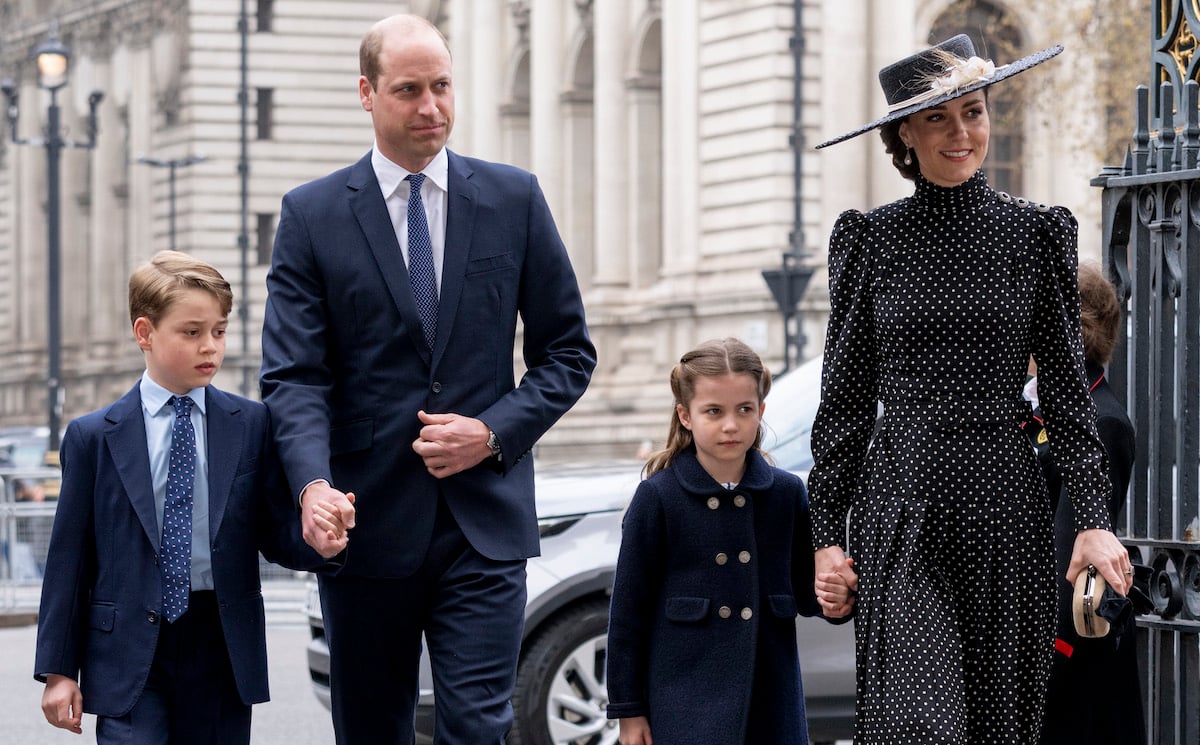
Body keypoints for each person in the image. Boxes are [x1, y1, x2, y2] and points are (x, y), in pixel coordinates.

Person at [258, 13, 596, 745]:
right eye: (409, 90)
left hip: (485, 523)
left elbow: (568, 351)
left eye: (442, 86)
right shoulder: (311, 217)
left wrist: (493, 431)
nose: (431, 107)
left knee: (478, 726)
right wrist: (312, 486)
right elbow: (294, 376)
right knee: (373, 728)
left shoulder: (514, 199)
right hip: (363, 518)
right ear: (367, 93)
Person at [808, 35, 1136, 744]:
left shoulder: (1035, 234)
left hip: (1006, 509)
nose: (962, 133)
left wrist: (1090, 515)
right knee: (920, 726)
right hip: (902, 506)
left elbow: (1067, 394)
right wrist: (826, 537)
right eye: (939, 118)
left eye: (974, 112)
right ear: (905, 132)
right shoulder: (868, 240)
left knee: (995, 727)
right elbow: (842, 403)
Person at [34, 250, 345, 744]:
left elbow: (273, 531)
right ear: (145, 333)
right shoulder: (94, 436)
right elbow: (70, 559)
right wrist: (57, 670)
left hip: (220, 644)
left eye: (219, 331)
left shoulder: (251, 424)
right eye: (192, 332)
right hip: (129, 651)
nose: (211, 347)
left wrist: (321, 540)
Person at [605, 338, 857, 745]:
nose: (730, 425)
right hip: (682, 702)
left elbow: (807, 591)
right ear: (685, 416)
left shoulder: (786, 493)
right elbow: (628, 614)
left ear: (761, 411)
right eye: (714, 412)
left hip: (770, 699)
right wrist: (628, 712)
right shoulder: (659, 497)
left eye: (744, 409)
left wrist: (836, 598)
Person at [1037, 263, 1143, 745]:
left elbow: (1070, 554)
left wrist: (1047, 662)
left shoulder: (1101, 420)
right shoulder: (1058, 408)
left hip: (1074, 652)